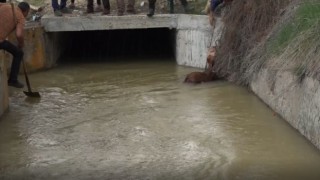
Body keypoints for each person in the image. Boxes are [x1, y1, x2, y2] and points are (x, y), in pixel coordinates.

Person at [0, 2, 30, 88]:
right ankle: (13, 80)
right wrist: (21, 44)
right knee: (19, 53)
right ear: (26, 11)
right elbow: (19, 35)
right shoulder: (20, 17)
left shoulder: (7, 5)